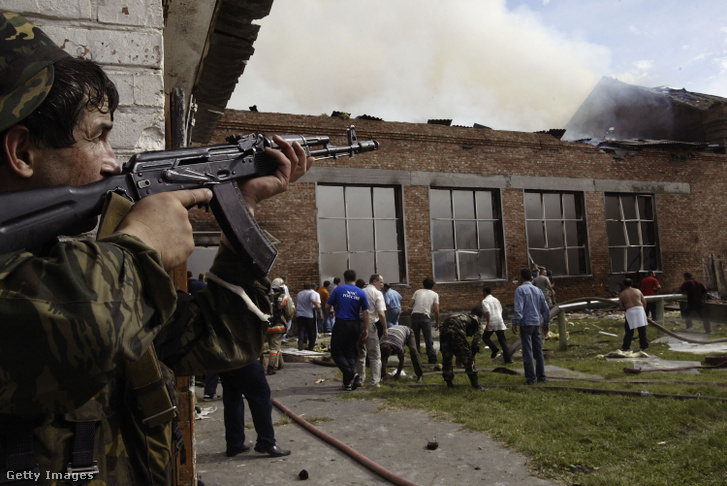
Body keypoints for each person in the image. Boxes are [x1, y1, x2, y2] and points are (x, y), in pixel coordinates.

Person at [0, 13, 313, 483]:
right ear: (23, 151)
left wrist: (241, 210)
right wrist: (139, 247)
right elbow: (83, 327)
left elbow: (219, 342)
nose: (112, 162)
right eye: (98, 136)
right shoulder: (96, 279)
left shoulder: (73, 269)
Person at [218, 361, 291, 458]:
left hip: (225, 363)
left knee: (233, 401)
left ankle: (234, 444)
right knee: (261, 399)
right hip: (244, 360)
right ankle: (266, 442)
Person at [325, 269, 369, 391]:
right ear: (356, 278)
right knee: (350, 352)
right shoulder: (361, 292)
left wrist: (329, 313)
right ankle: (347, 383)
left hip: (342, 323)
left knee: (336, 352)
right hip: (355, 325)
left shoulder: (339, 289)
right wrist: (365, 328)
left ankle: (351, 374)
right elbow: (366, 311)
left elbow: (328, 305)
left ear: (344, 279)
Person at [512, 268, 551, 385]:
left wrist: (515, 322)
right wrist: (546, 323)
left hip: (526, 323)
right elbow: (546, 309)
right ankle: (542, 376)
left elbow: (519, 308)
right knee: (538, 351)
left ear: (521, 277)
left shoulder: (520, 290)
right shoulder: (538, 291)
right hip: (536, 323)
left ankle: (531, 378)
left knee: (527, 351)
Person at [438, 306, 486, 390]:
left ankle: (449, 383)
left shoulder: (464, 316)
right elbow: (476, 343)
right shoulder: (477, 322)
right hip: (456, 330)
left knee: (447, 356)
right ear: (481, 317)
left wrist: (458, 354)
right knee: (467, 358)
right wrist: (472, 356)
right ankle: (476, 385)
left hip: (443, 329)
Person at [356, 274, 388, 388]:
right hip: (369, 323)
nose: (382, 285)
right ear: (374, 281)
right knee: (374, 354)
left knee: (360, 353)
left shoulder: (360, 291)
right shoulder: (377, 293)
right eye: (381, 282)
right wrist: (385, 327)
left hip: (357, 324)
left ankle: (360, 379)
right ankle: (374, 381)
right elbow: (381, 313)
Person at [263, 278, 295, 375]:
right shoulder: (284, 297)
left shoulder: (266, 298)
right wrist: (287, 320)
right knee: (274, 348)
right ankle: (270, 367)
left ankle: (281, 363)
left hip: (267, 327)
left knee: (275, 345)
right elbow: (289, 313)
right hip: (279, 326)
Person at [409, 277, 440, 365]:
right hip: (425, 317)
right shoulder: (435, 294)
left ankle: (416, 359)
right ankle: (432, 359)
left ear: (423, 284)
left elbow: (410, 305)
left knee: (415, 339)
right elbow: (437, 310)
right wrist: (437, 322)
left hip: (415, 315)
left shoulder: (417, 292)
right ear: (432, 286)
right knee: (428, 339)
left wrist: (411, 315)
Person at [480, 286, 512, 363]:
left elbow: (487, 312)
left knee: (485, 337)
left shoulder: (485, 301)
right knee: (502, 340)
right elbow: (500, 309)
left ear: (484, 292)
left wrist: (488, 323)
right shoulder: (496, 300)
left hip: (492, 321)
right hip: (499, 320)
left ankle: (494, 348)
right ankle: (508, 359)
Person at [619, 278, 649, 351]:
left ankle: (626, 346)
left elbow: (621, 307)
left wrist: (625, 308)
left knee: (629, 331)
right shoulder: (637, 291)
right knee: (642, 330)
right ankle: (644, 345)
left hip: (630, 311)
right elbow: (644, 302)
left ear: (624, 284)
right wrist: (643, 311)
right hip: (639, 309)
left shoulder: (622, 294)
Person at [296, 283, 322, 350]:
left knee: (301, 329)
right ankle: (311, 345)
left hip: (299, 314)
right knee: (310, 330)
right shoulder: (311, 293)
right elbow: (312, 300)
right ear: (310, 287)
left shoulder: (299, 294)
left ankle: (301, 342)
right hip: (308, 314)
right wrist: (318, 305)